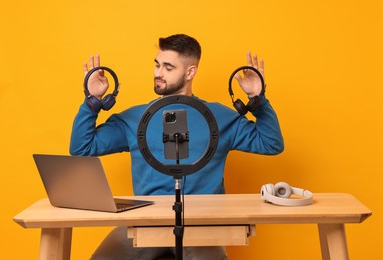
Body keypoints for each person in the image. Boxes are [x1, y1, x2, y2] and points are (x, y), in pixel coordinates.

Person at [70, 34, 284, 260]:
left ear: (190, 72)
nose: (158, 73)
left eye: (168, 67)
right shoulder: (134, 118)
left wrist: (257, 99)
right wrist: (92, 101)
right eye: (157, 64)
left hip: (204, 226)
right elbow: (82, 147)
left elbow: (271, 143)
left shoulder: (220, 117)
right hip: (145, 224)